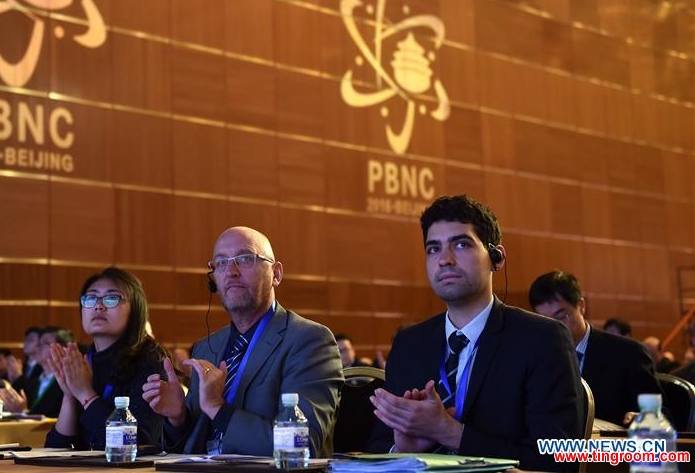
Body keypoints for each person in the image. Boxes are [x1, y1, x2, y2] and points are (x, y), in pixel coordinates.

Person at [367, 195, 584, 471]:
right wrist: (402, 449)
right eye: (433, 249)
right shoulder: (410, 344)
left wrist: (449, 432)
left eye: (461, 244)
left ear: (497, 257)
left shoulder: (541, 339)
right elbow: (376, 448)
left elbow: (556, 458)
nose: (444, 260)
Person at [142, 226, 343, 457]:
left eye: (245, 258)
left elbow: (302, 445)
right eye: (221, 263)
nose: (231, 271)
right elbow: (189, 447)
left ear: (276, 274)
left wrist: (219, 410)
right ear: (213, 279)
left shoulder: (309, 341)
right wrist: (178, 418)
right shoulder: (207, 346)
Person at [45, 268, 168, 449]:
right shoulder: (86, 360)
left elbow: (137, 444)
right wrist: (70, 395)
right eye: (91, 298)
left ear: (135, 309)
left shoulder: (150, 360)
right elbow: (57, 449)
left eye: (111, 298)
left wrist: (86, 395)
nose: (98, 306)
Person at [529, 270, 660, 427]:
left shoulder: (628, 353)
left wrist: (642, 418)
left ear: (581, 306)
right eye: (545, 321)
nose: (555, 329)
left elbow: (661, 417)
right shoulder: (537, 357)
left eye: (561, 317)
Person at [2, 326, 73, 417]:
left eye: (44, 343)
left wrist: (22, 412)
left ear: (63, 348)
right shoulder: (36, 380)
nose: (37, 348)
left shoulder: (67, 382)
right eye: (38, 343)